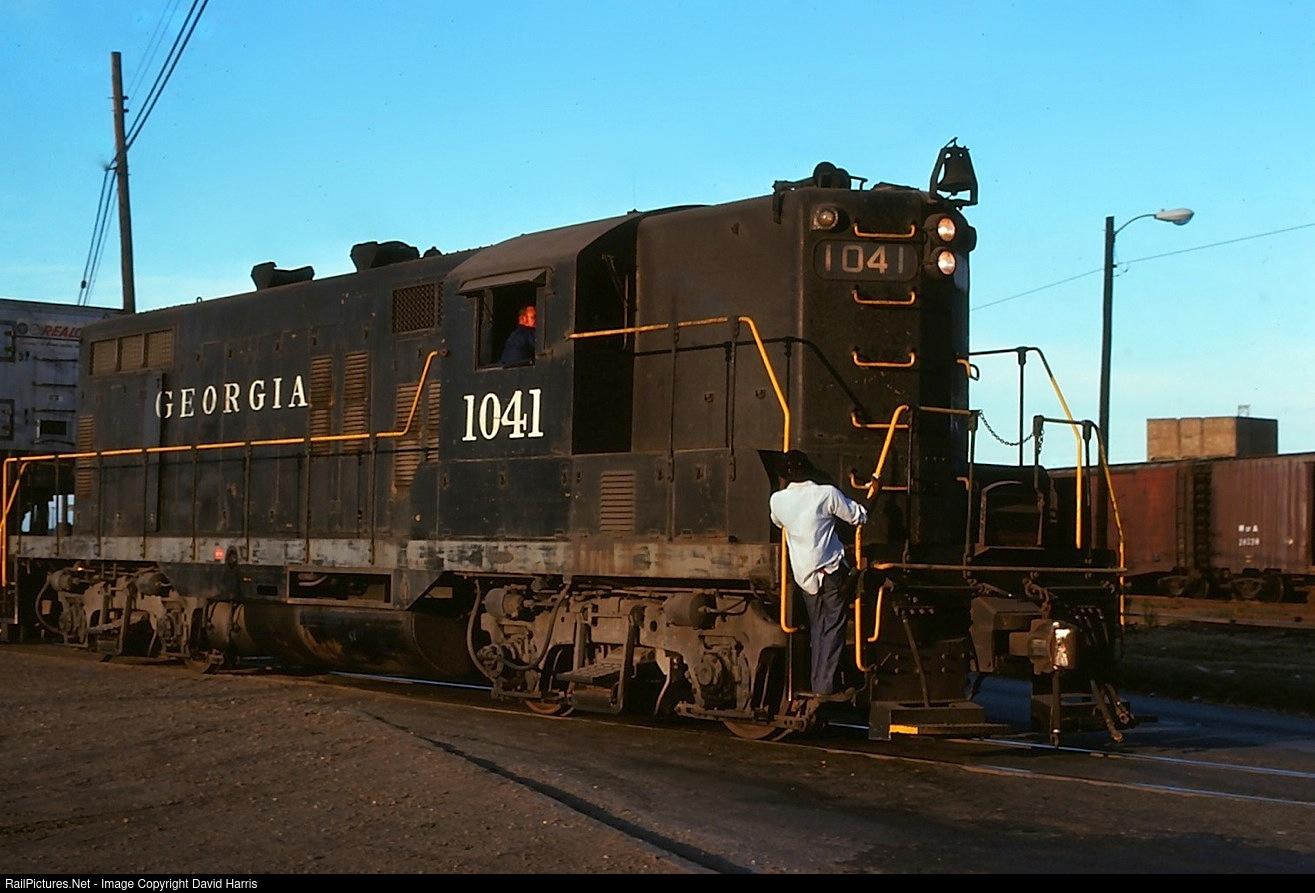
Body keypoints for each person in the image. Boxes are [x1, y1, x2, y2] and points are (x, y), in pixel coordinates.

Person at [769, 449, 868, 698]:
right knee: (833, 627)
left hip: (804, 576)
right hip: (831, 571)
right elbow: (858, 517)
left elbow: (777, 522)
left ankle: (818, 684)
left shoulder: (777, 501)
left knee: (818, 628)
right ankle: (825, 688)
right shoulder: (826, 494)